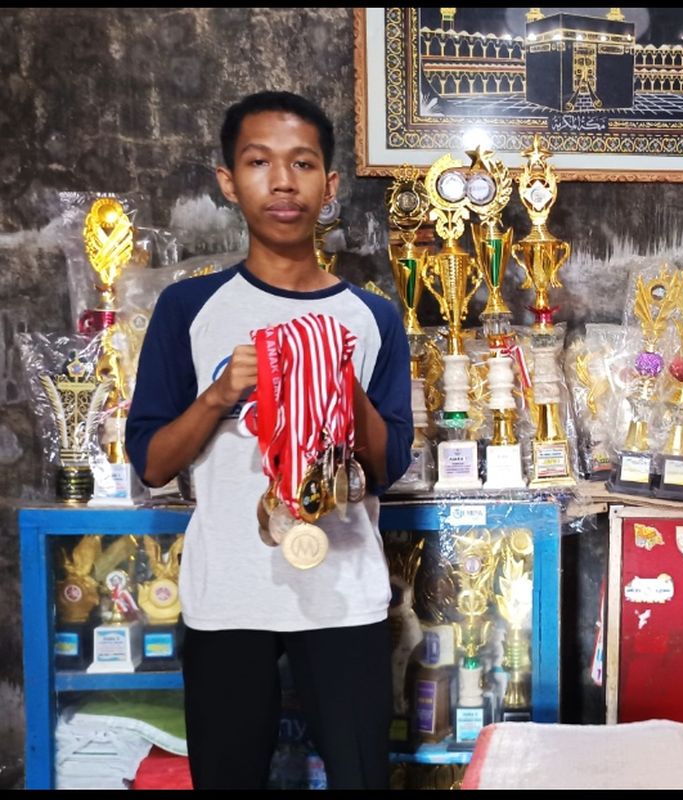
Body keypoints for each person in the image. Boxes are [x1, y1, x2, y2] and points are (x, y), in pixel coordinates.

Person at [126, 91, 413, 789]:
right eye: (258, 163)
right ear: (229, 181)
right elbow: (152, 460)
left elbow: (388, 466)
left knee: (361, 777)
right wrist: (223, 393)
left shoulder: (370, 317)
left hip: (344, 592)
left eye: (303, 164)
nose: (282, 182)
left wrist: (338, 382)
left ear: (329, 185)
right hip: (230, 593)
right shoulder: (187, 308)